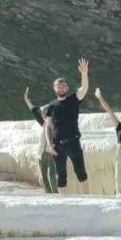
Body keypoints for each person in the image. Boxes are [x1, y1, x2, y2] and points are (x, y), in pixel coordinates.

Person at [46, 58, 90, 190]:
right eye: (58, 86)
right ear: (54, 88)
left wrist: (84, 74)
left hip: (73, 141)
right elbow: (48, 126)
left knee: (80, 171)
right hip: (57, 144)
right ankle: (62, 203)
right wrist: (49, 143)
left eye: (63, 86)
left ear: (67, 87)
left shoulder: (73, 100)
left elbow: (84, 89)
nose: (60, 88)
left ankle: (87, 199)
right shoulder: (51, 106)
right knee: (61, 175)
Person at [23, 87, 57, 194]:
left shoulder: (55, 123)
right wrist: (27, 100)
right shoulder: (43, 122)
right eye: (42, 112)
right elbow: (34, 110)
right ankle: (49, 193)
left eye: (45, 112)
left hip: (51, 151)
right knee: (44, 174)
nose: (43, 113)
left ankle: (54, 194)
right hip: (43, 151)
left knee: (51, 173)